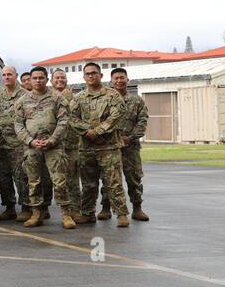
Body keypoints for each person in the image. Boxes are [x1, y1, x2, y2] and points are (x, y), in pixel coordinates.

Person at [14, 66, 76, 228]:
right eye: (34, 78)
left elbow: (64, 121)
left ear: (47, 79)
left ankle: (66, 214)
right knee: (34, 181)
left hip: (53, 147)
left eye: (41, 77)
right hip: (32, 147)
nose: (38, 80)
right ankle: (36, 213)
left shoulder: (57, 98)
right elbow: (18, 124)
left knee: (59, 181)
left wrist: (52, 140)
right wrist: (29, 141)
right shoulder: (22, 101)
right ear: (30, 80)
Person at [71, 61, 130, 227]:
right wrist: (88, 131)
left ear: (101, 75)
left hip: (109, 147)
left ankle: (122, 214)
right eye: (88, 74)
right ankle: (88, 213)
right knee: (88, 183)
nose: (91, 76)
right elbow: (71, 118)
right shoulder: (78, 98)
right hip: (87, 147)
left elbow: (117, 115)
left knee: (114, 182)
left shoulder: (112, 95)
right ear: (84, 77)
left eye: (94, 73)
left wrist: (97, 132)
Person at [108, 68, 150, 221]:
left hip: (130, 147)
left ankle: (137, 208)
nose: (119, 81)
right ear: (111, 82)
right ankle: (106, 208)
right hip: (110, 147)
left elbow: (142, 121)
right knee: (110, 178)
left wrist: (131, 138)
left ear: (128, 80)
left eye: (122, 78)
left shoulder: (137, 100)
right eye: (116, 78)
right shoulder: (106, 99)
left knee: (134, 178)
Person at [0, 65, 29, 220]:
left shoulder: (25, 95)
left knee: (21, 177)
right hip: (0, 143)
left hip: (18, 143)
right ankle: (9, 207)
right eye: (4, 75)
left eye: (9, 75)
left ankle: (26, 207)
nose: (6, 77)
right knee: (3, 176)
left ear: (16, 75)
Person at [51, 68, 83, 213]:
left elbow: (79, 119)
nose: (60, 80)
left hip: (70, 145)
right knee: (53, 181)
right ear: (51, 81)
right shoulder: (46, 97)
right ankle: (46, 210)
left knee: (73, 180)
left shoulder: (75, 98)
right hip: (52, 146)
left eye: (62, 78)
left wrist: (67, 98)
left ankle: (75, 210)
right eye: (56, 78)